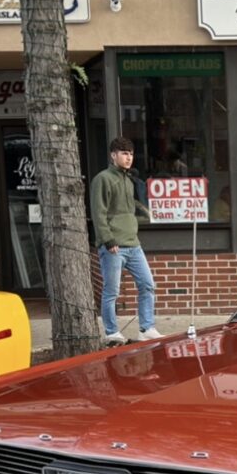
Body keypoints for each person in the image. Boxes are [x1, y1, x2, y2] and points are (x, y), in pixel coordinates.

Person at [90, 137, 160, 345]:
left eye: (130, 154)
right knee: (112, 291)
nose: (128, 157)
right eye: (123, 153)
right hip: (114, 246)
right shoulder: (102, 179)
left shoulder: (129, 180)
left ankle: (147, 328)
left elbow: (128, 212)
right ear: (113, 156)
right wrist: (108, 239)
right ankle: (112, 332)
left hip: (133, 243)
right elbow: (98, 212)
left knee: (147, 285)